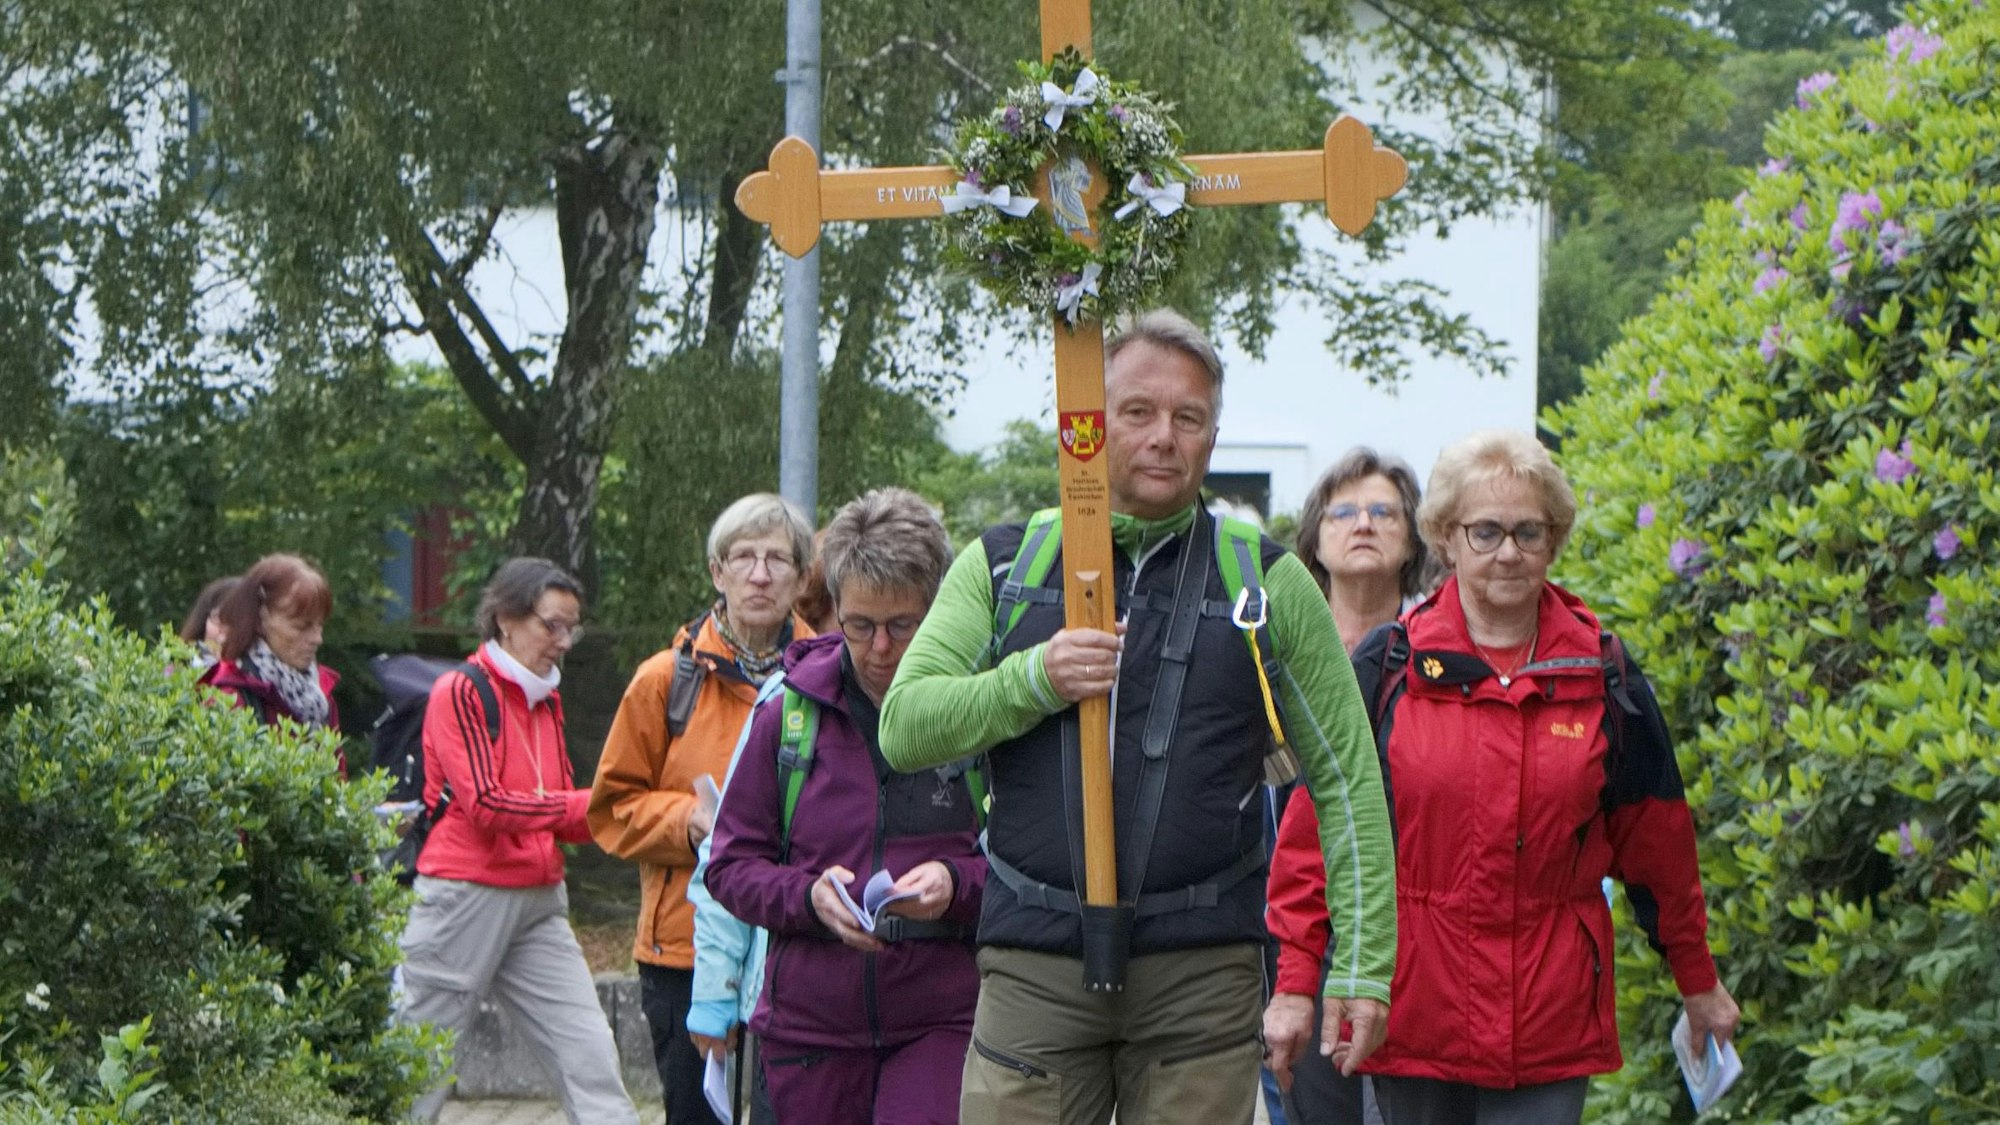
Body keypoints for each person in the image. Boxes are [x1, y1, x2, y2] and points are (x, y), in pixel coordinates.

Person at [879, 309, 1398, 1125]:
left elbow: (1347, 780)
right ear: (1087, 424)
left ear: (1213, 434)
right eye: (1139, 412)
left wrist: (1363, 965)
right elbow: (905, 726)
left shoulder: (1263, 579)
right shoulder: (1008, 563)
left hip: (1200, 973)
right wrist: (1034, 678)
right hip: (1033, 963)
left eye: (1188, 417)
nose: (1164, 436)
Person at [1332, 429, 1737, 1124]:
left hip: (1549, 1019)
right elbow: (1322, 834)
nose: (1509, 551)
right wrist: (1299, 979)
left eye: (1529, 530)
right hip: (1411, 1009)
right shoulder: (1388, 666)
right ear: (1446, 538)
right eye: (1485, 530)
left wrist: (1698, 981)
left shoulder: (1605, 673)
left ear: (1554, 540)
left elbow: (1659, 846)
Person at [705, 487, 985, 1124]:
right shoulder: (788, 716)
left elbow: (1031, 868)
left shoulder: (977, 713)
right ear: (833, 610)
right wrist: (808, 898)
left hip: (942, 1023)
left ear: (938, 610)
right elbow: (728, 867)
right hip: (809, 1035)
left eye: (902, 626)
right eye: (859, 625)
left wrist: (957, 883)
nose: (880, 648)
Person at [590, 493, 816, 1125]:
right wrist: (687, 823)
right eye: (743, 557)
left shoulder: (827, 677)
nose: (760, 574)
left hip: (794, 943)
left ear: (801, 578)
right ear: (717, 573)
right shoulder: (665, 679)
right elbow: (611, 809)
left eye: (777, 559)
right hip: (684, 949)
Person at [397, 557, 637, 1124]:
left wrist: (635, 811)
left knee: (590, 1054)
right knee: (418, 1068)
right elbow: (485, 803)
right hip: (463, 897)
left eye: (570, 628)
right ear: (506, 618)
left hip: (538, 897)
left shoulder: (545, 697)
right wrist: (596, 804)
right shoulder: (460, 690)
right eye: (550, 625)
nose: (563, 642)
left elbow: (555, 810)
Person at [1264, 448, 1429, 1125]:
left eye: (1384, 511)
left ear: (1415, 536)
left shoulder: (1437, 646)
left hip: (1404, 926)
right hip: (1286, 921)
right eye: (1345, 510)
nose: (1364, 523)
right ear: (1315, 535)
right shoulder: (1273, 639)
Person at [200, 554, 341, 751]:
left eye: (320, 626)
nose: (318, 639)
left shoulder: (321, 696)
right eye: (301, 627)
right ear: (261, 620)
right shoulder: (228, 699)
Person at [178, 575, 239, 670]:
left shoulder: (260, 680)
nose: (225, 631)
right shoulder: (173, 675)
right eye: (219, 619)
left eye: (236, 622)